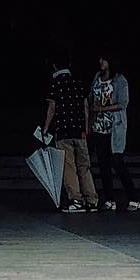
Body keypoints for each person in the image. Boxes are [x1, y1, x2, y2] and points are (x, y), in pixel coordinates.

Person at [44, 52, 97, 213]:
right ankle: (92, 200)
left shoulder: (55, 83)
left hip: (63, 131)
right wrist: (87, 128)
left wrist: (46, 127)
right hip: (80, 131)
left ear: (54, 66)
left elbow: (52, 108)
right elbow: (85, 107)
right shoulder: (78, 83)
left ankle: (76, 199)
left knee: (69, 167)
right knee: (84, 166)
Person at [88, 55, 138, 212]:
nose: (101, 62)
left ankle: (133, 196)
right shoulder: (97, 76)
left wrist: (102, 109)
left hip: (114, 126)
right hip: (98, 126)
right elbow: (91, 97)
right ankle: (109, 198)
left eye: (104, 60)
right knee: (103, 164)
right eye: (100, 59)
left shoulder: (120, 80)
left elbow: (123, 103)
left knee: (117, 161)